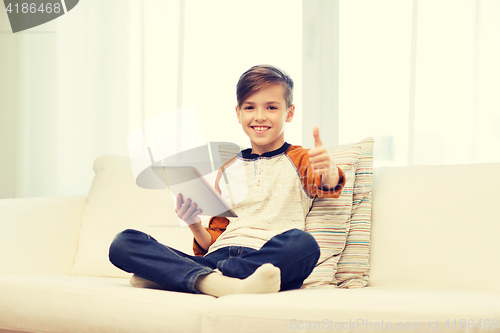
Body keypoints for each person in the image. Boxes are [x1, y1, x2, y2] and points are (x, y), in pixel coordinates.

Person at [108, 65, 346, 297]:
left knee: (304, 244)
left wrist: (329, 170)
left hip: (265, 259)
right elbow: (216, 234)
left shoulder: (301, 158)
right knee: (124, 243)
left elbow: (327, 183)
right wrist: (194, 224)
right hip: (219, 257)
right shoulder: (228, 168)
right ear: (238, 113)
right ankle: (220, 281)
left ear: (289, 112)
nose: (260, 116)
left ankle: (185, 277)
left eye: (272, 107)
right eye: (250, 107)